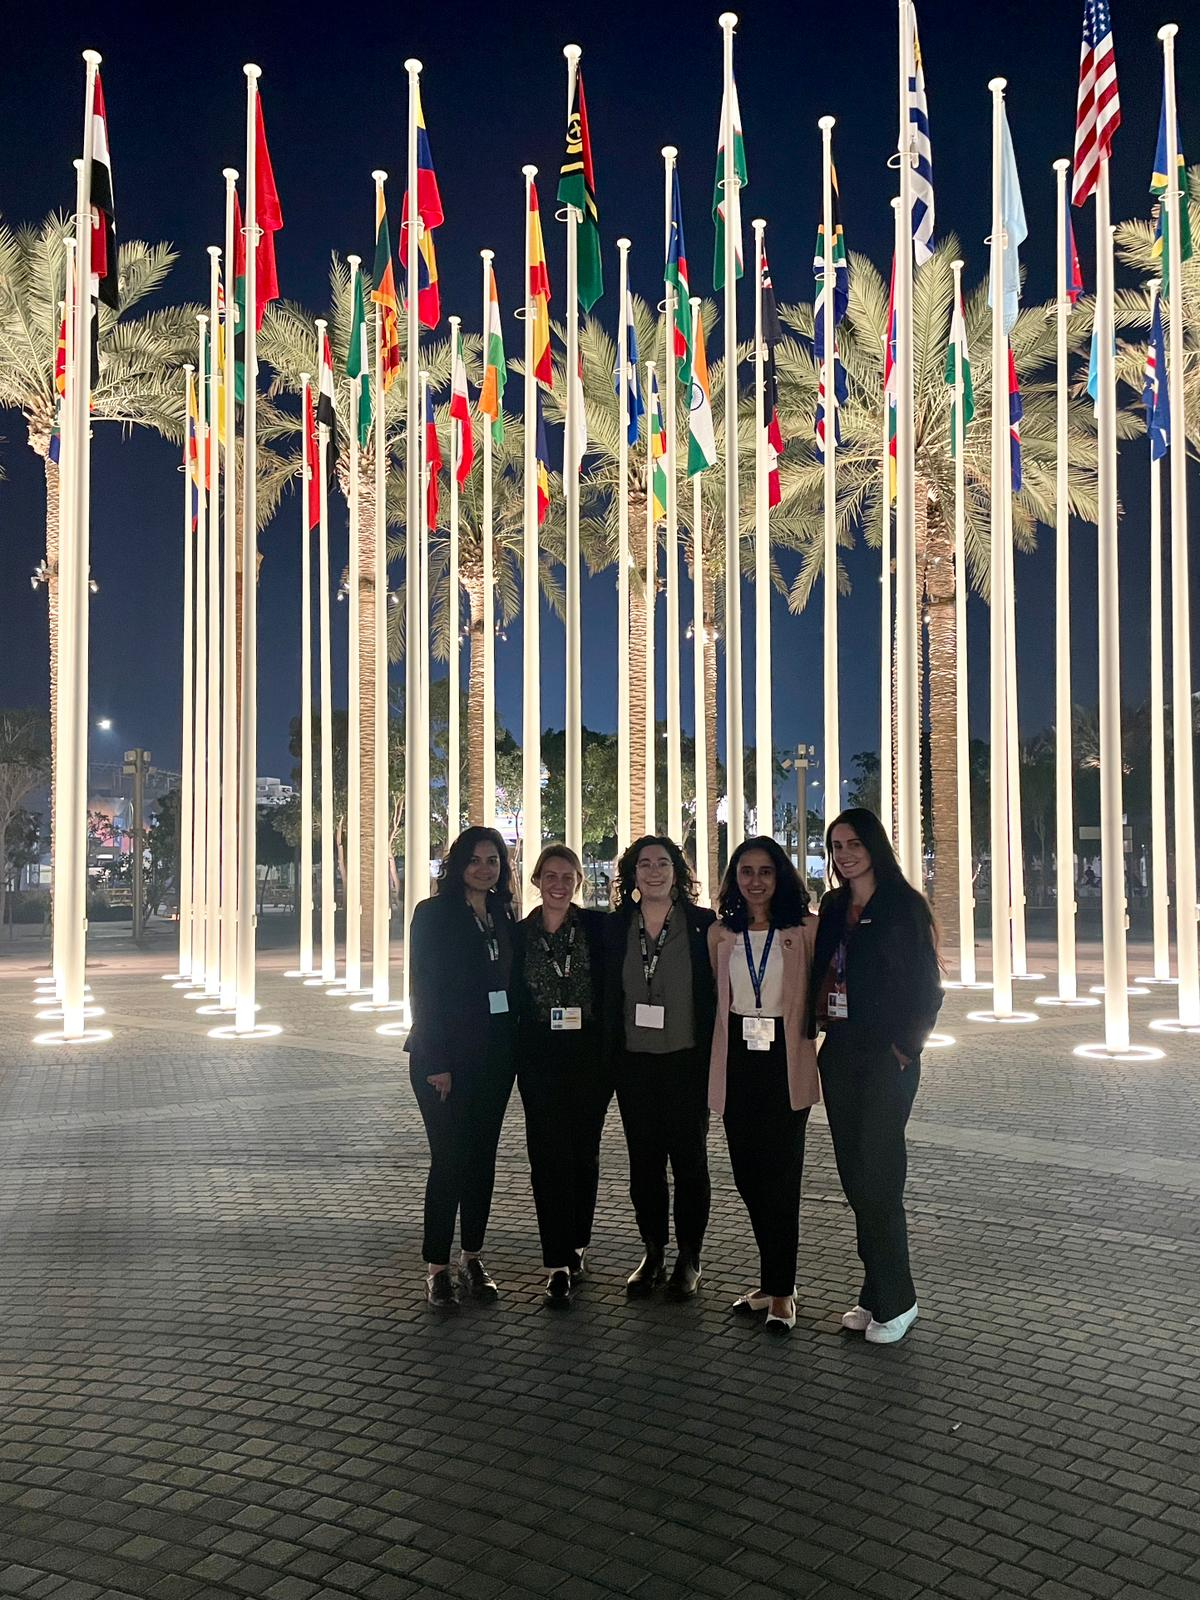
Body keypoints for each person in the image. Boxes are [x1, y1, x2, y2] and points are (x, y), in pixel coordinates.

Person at [809, 808, 942, 1345]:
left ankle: (900, 1300)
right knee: (855, 1178)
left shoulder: (903, 905)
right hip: (840, 1051)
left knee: (880, 1177)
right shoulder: (835, 904)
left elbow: (926, 986)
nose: (844, 853)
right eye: (836, 845)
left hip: (886, 1058)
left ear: (874, 846)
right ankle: (875, 1292)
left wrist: (906, 1047)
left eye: (853, 843)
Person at [708, 837, 819, 1336]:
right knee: (749, 1178)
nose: (755, 881)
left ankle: (782, 1292)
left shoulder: (804, 931)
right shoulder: (720, 935)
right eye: (746, 872)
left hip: (784, 1060)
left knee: (782, 1181)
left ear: (781, 878)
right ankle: (771, 1279)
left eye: (766, 872)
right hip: (737, 1061)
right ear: (734, 879)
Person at [406, 826, 517, 1312]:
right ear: (457, 864)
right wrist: (437, 1061)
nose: (484, 868)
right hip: (443, 1061)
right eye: (474, 860)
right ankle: (436, 1268)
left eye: (492, 860)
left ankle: (472, 1258)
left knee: (482, 1162)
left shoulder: (501, 914)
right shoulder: (432, 914)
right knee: (449, 1161)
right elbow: (423, 989)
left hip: (493, 1060)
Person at [603, 835, 716, 1299]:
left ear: (677, 871)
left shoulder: (703, 925)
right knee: (644, 1164)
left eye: (663, 863)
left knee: (689, 1163)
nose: (653, 871)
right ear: (631, 873)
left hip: (688, 1062)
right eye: (644, 864)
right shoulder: (613, 929)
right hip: (634, 1065)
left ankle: (690, 1257)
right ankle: (653, 1250)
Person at [511, 844, 611, 1310]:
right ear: (536, 880)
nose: (558, 884)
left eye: (567, 876)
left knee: (583, 1154)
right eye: (550, 875)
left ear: (577, 882)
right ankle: (555, 1260)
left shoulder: (595, 929)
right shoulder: (519, 936)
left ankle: (578, 1244)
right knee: (547, 1155)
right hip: (539, 1058)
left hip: (589, 1056)